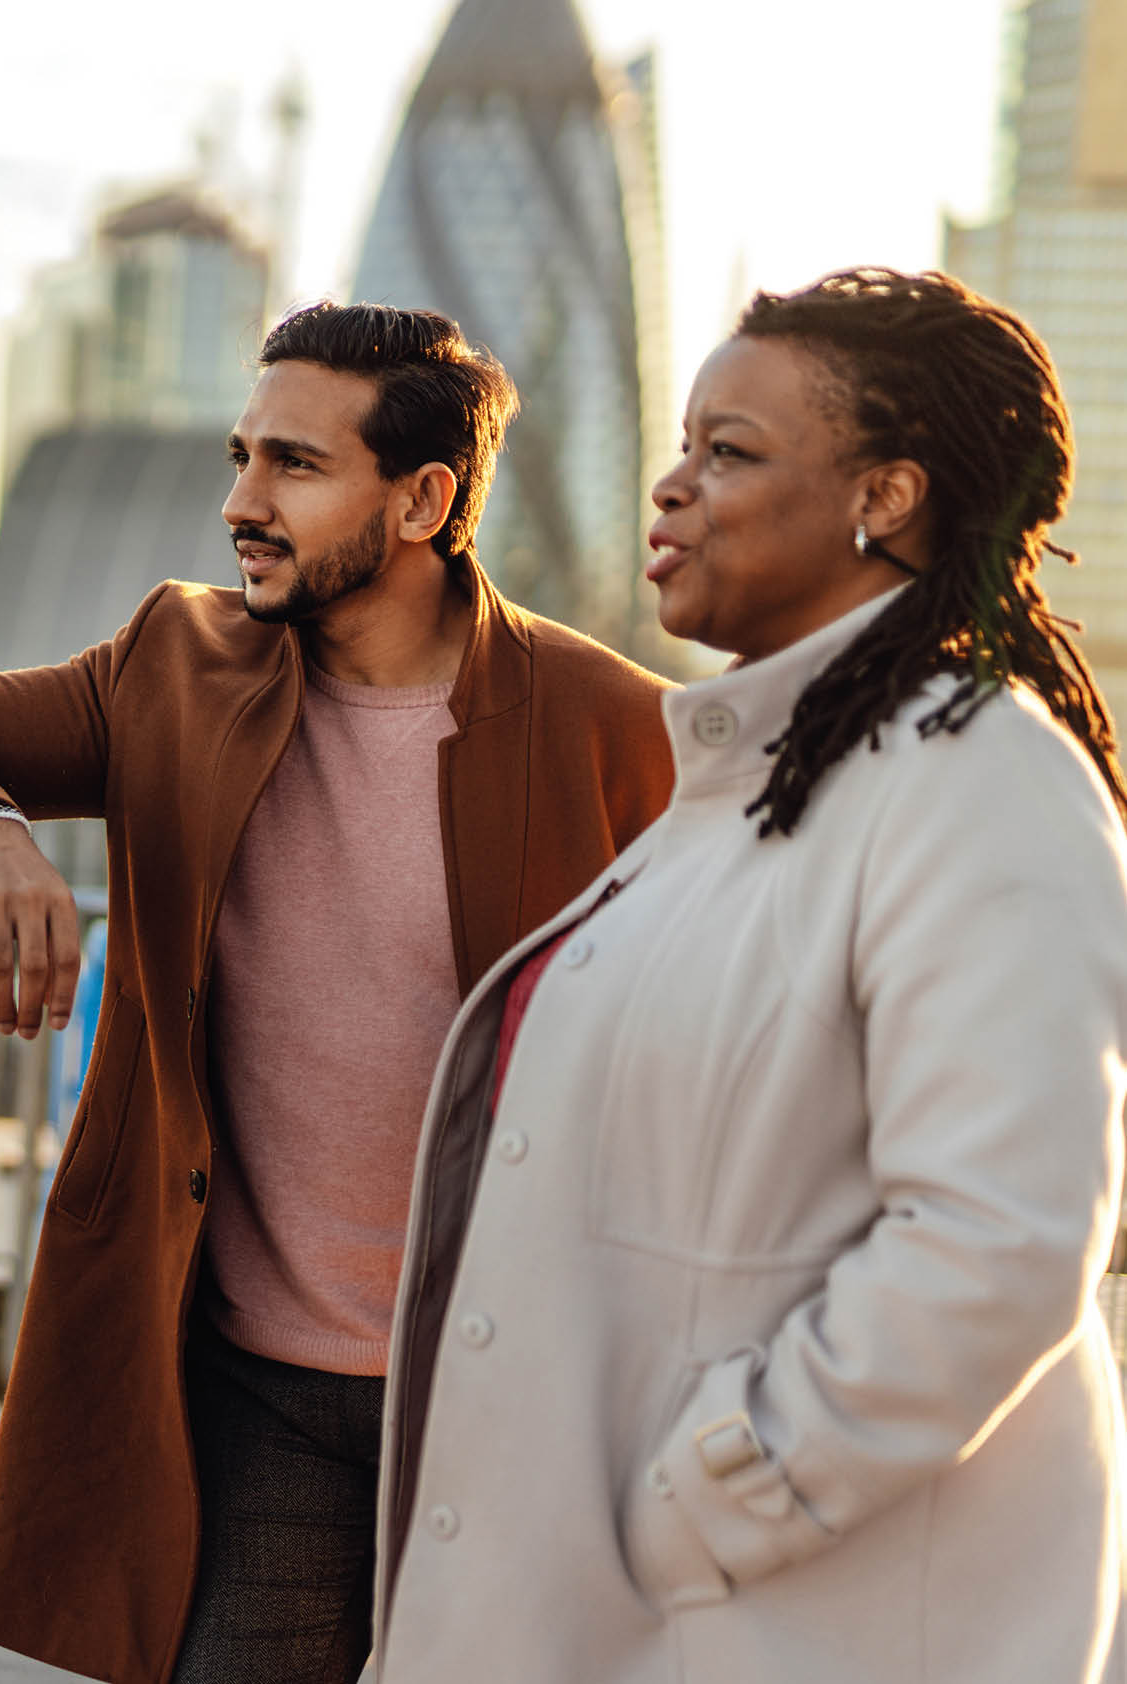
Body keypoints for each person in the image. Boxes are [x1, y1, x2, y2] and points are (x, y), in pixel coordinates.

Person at [0, 301, 676, 1684]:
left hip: (513, 1402)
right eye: (241, 456)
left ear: (422, 499)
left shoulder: (610, 723)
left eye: (292, 465)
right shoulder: (176, 665)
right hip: (255, 1397)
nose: (240, 504)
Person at [371, 269, 1127, 1684]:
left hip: (781, 1626)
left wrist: (711, 1496)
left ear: (884, 497)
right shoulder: (760, 780)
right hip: (627, 1617)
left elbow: (1002, 1241)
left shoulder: (984, 780)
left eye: (730, 453)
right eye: (681, 445)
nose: (671, 488)